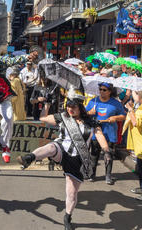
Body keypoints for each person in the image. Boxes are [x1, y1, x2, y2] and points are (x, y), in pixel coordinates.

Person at [17, 87, 110, 230]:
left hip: (79, 160)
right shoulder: (63, 117)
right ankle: (29, 158)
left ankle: (67, 217)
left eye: (73, 106)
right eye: (68, 106)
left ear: (80, 106)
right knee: (52, 147)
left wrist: (106, 150)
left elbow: (99, 135)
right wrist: (47, 105)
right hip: (62, 150)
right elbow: (43, 118)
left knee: (71, 194)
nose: (70, 109)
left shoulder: (91, 121)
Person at [86, 83, 126, 184]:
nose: (101, 91)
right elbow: (83, 114)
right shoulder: (93, 101)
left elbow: (123, 116)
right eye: (100, 89)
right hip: (96, 132)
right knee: (94, 154)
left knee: (109, 154)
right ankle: (92, 174)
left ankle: (108, 176)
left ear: (110, 92)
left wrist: (115, 118)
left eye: (104, 90)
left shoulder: (115, 103)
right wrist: (89, 113)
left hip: (110, 133)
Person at [124, 91, 142, 200]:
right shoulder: (139, 107)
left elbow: (136, 123)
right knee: (140, 168)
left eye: (134, 94)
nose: (132, 96)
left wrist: (130, 110)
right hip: (138, 145)